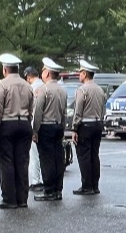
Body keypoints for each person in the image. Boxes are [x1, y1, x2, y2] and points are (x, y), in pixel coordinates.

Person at [0, 54, 34, 209]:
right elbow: (31, 108)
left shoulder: (2, 84)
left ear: (5, 69)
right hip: (24, 124)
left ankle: (9, 199)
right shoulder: (27, 85)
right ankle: (22, 199)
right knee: (22, 162)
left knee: (7, 162)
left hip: (7, 124)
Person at [33, 57, 67, 201]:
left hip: (45, 126)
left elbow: (38, 112)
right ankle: (58, 189)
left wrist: (35, 130)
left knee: (47, 159)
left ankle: (49, 190)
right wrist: (63, 127)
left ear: (47, 73)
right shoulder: (62, 90)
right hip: (58, 126)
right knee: (58, 158)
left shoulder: (43, 90)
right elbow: (64, 112)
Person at [70, 59, 107, 195]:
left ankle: (86, 186)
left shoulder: (82, 90)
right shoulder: (100, 90)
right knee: (94, 155)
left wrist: (74, 128)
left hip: (85, 125)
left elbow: (78, 110)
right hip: (97, 124)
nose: (79, 75)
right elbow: (103, 109)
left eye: (80, 72)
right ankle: (95, 185)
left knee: (84, 156)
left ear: (85, 74)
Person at [24, 66, 44, 191]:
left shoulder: (31, 89)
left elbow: (33, 110)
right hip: (47, 124)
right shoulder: (45, 86)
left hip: (34, 124)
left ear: (28, 77)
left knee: (34, 154)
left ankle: (35, 180)